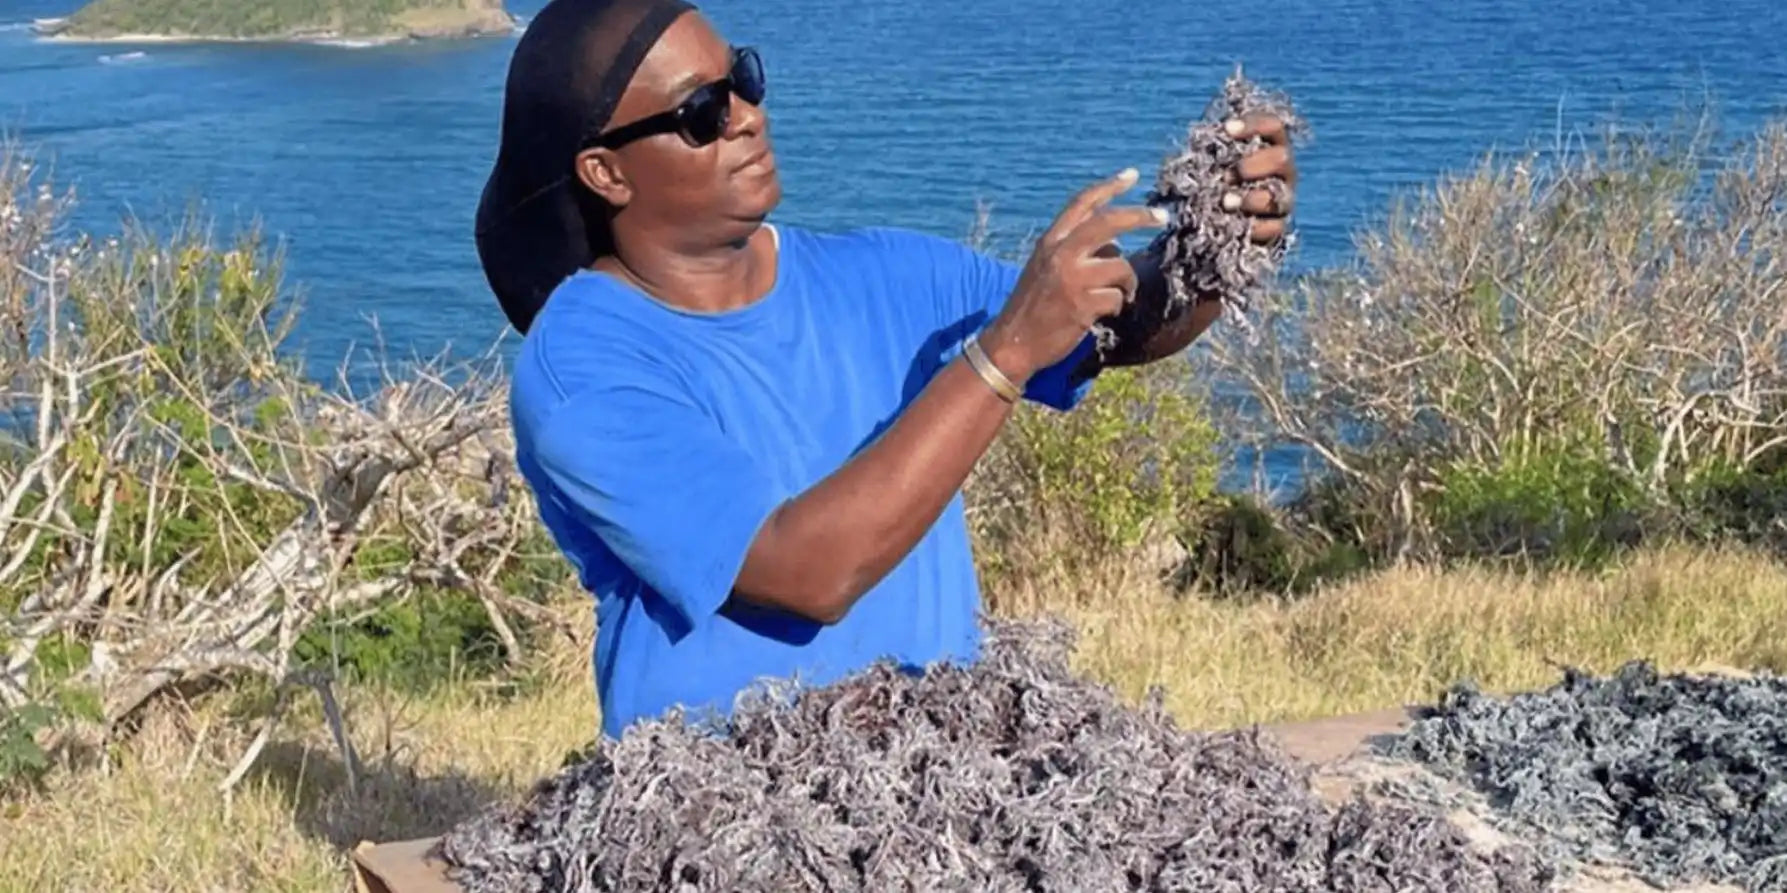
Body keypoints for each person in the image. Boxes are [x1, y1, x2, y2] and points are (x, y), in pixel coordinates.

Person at [474, 0, 1297, 740]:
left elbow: (1121, 323)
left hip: (938, 774)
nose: (747, 118)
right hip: (718, 814)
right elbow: (804, 572)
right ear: (606, 173)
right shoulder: (584, 369)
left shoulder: (882, 274)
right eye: (701, 112)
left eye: (743, 80)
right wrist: (1003, 352)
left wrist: (1218, 239)